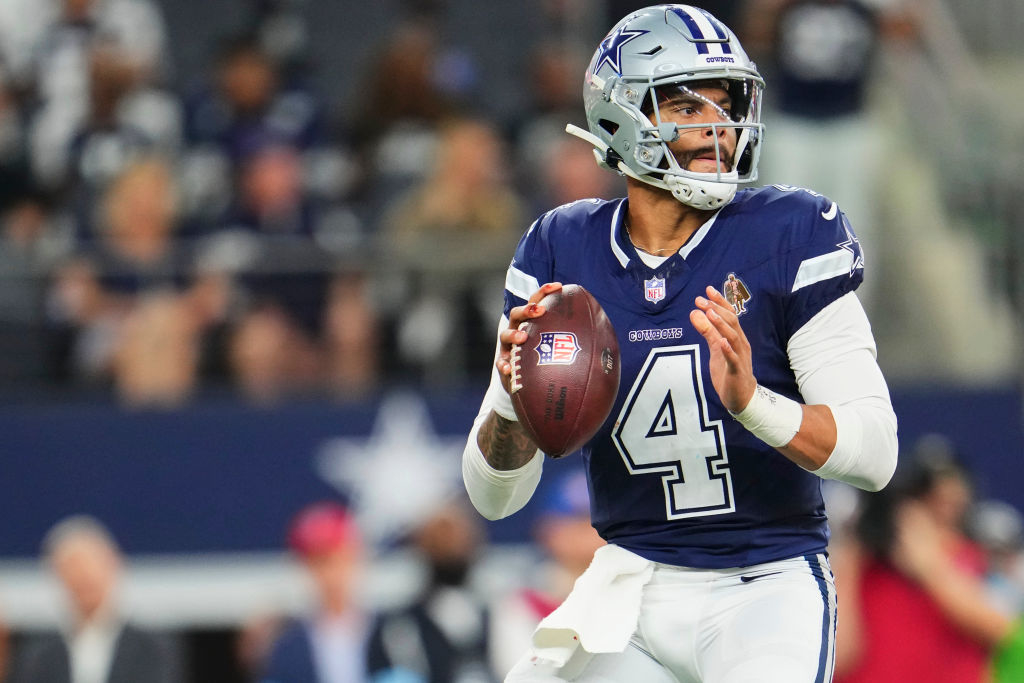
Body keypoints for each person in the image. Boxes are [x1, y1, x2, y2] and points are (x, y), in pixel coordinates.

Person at [460, 5, 898, 681]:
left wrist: (754, 402)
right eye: (687, 105)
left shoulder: (791, 231)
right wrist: (515, 403)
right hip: (629, 585)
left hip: (766, 586)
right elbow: (494, 498)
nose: (716, 126)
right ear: (620, 115)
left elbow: (874, 450)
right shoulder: (560, 247)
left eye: (725, 105)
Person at [9, 515, 182, 683]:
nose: (83, 580)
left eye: (89, 570)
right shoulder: (40, 655)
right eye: (73, 571)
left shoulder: (152, 648)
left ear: (112, 566)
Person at [259, 501, 371, 683]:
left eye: (341, 559)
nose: (333, 574)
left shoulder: (395, 634)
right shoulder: (285, 647)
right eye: (320, 563)